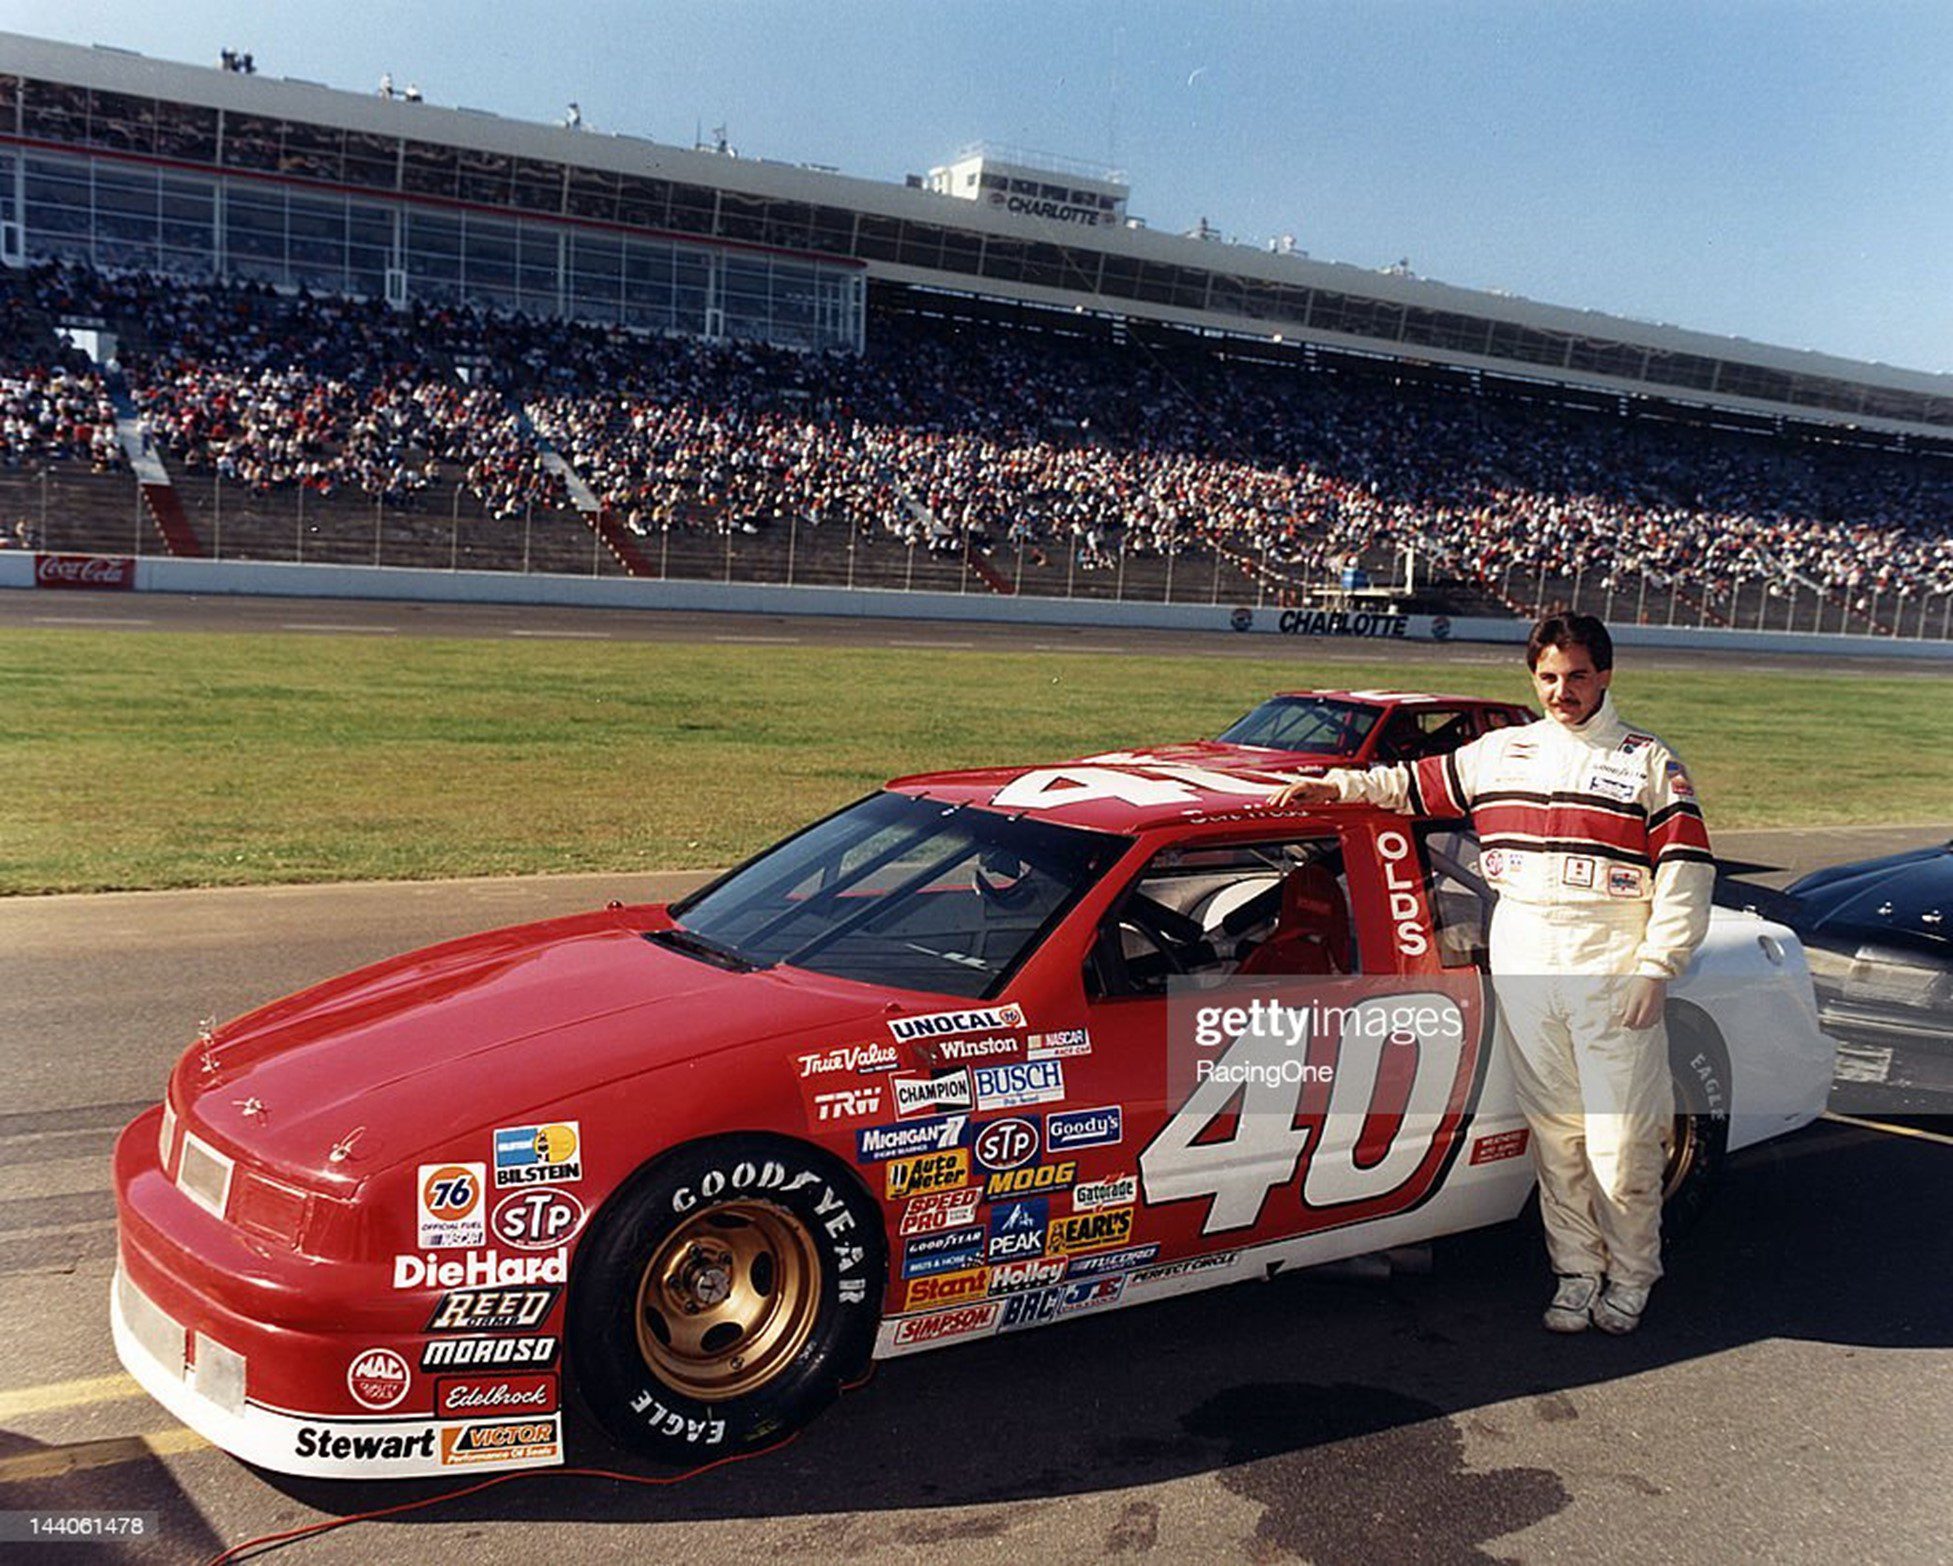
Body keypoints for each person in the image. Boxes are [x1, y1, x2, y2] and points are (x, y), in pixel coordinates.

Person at [1267, 614, 1713, 1334]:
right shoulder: (1498, 753)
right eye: (1547, 677)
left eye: (1574, 676)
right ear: (1531, 678)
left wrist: (1656, 967)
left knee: (1619, 1140)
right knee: (1557, 1134)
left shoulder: (1647, 762)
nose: (1561, 691)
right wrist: (1334, 790)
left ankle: (1631, 1275)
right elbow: (1404, 786)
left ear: (1604, 675)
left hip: (1610, 962)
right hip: (1524, 957)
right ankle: (1574, 1272)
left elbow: (1686, 873)